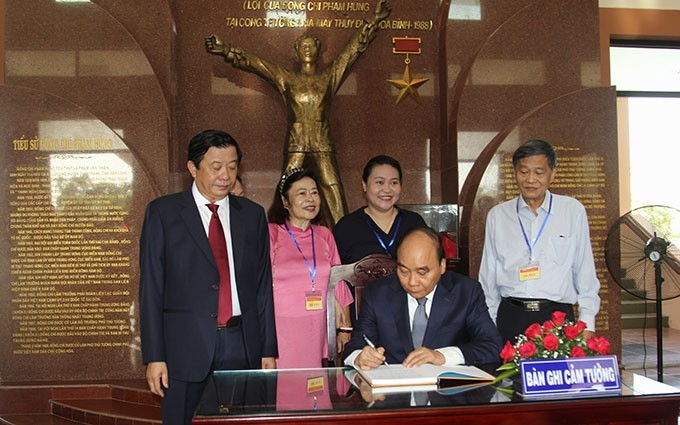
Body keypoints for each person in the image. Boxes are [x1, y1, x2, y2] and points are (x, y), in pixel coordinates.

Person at [205, 0, 392, 226]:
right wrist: (226, 49)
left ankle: (344, 234)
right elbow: (256, 64)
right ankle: (279, 232)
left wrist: (373, 20)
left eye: (311, 45)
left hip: (322, 141)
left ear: (318, 51)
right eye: (302, 46)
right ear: (296, 51)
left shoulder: (328, 78)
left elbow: (352, 51)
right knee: (287, 187)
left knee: (332, 187)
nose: (307, 49)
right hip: (296, 141)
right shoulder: (287, 79)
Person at [139, 129, 277, 425]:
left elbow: (263, 286)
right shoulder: (164, 213)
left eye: (232, 166)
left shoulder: (251, 215)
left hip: (242, 342)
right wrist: (154, 355)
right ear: (193, 168)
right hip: (184, 347)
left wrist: (268, 349)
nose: (225, 175)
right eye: (216, 167)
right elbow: (151, 289)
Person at [478, 139, 601, 344]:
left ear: (552, 173)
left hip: (556, 317)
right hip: (511, 316)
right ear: (515, 173)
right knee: (511, 376)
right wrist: (489, 323)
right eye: (524, 172)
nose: (530, 179)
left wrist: (587, 322)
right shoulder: (498, 216)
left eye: (539, 172)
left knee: (557, 376)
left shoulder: (572, 211)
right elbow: (488, 275)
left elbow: (584, 269)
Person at [343, 226, 502, 370]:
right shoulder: (377, 293)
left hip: (447, 395)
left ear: (442, 266)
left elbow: (492, 346)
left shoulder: (466, 292)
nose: (412, 282)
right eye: (404, 271)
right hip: (394, 395)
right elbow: (356, 345)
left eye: (422, 272)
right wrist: (360, 357)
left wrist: (442, 356)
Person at [268, 167, 353, 368]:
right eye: (302, 193)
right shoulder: (272, 234)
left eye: (315, 192)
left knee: (314, 387)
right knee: (284, 391)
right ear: (285, 202)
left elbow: (338, 280)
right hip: (282, 329)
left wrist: (345, 329)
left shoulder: (324, 235)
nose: (311, 199)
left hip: (317, 326)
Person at [333, 155, 427, 264]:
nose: (387, 189)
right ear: (364, 185)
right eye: (379, 182)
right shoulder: (346, 227)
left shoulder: (414, 222)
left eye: (394, 183)